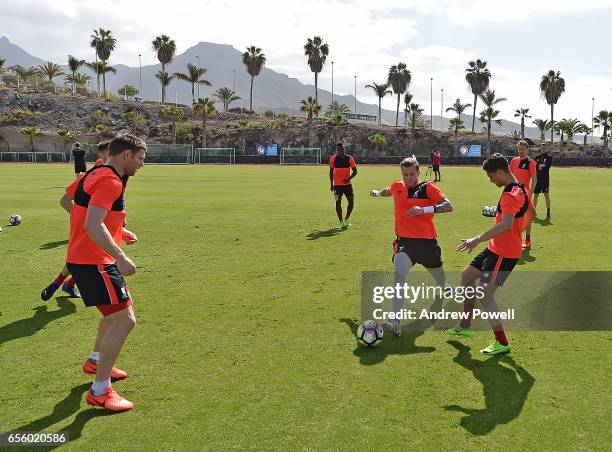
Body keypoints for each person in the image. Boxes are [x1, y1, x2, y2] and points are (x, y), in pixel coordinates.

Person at [65, 134, 145, 412]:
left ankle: (97, 362)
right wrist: (120, 256)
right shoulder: (110, 181)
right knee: (125, 321)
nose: (141, 164)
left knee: (113, 316)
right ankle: (100, 391)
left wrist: (119, 231)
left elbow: (84, 211)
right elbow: (92, 224)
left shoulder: (96, 172)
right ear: (126, 155)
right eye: (140, 158)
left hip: (86, 258)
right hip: (94, 262)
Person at [450, 153, 529, 355]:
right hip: (495, 248)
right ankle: (465, 325)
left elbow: (507, 224)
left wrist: (476, 239)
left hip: (504, 253)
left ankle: (502, 342)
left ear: (500, 172)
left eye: (492, 177)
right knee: (467, 276)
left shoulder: (509, 194)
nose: (491, 180)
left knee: (485, 296)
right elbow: (527, 214)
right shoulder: (520, 188)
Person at [370, 155, 453, 336]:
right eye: (405, 174)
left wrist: (423, 210)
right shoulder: (397, 185)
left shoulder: (428, 188)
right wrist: (377, 193)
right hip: (405, 243)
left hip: (427, 244)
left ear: (418, 172)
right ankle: (395, 321)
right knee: (399, 277)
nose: (408, 178)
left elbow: (448, 206)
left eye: (411, 174)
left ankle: (446, 287)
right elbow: (388, 191)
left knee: (441, 282)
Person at [41, 141, 117, 302]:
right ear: (102, 156)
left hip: (99, 225)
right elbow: (64, 201)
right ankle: (63, 283)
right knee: (95, 258)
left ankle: (63, 283)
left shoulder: (106, 174)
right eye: (112, 154)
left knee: (86, 257)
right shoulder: (92, 176)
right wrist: (83, 218)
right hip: (95, 226)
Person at [509, 140, 536, 249]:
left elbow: (534, 179)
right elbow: (510, 176)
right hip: (513, 194)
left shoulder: (531, 162)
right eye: (519, 149)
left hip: (525, 194)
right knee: (513, 217)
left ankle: (527, 240)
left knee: (527, 217)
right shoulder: (514, 161)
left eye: (523, 149)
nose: (521, 151)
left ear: (527, 149)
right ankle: (514, 239)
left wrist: (531, 193)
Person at [329, 143, 357, 229]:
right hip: (337, 186)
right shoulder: (333, 159)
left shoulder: (349, 158)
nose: (341, 150)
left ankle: (347, 219)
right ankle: (341, 221)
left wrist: (348, 179)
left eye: (342, 149)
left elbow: (355, 171)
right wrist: (331, 185)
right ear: (336, 150)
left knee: (351, 202)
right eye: (339, 149)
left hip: (347, 185)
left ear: (344, 149)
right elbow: (330, 172)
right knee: (338, 203)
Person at [533, 143, 552, 220]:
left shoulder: (549, 157)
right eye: (542, 148)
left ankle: (548, 212)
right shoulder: (537, 157)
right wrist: (539, 166)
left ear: (547, 148)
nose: (543, 149)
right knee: (535, 196)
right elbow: (534, 166)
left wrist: (540, 166)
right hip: (537, 179)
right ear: (540, 148)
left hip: (545, 179)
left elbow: (547, 167)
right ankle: (533, 212)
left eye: (544, 148)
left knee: (546, 195)